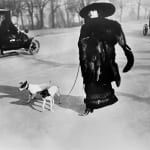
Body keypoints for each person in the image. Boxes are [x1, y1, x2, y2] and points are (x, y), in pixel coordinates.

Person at [78, 2, 134, 115]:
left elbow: (122, 41)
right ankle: (90, 106)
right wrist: (84, 62)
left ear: (99, 11)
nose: (90, 13)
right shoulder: (85, 28)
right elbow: (81, 46)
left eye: (92, 10)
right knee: (91, 85)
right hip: (91, 64)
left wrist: (128, 55)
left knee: (104, 82)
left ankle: (106, 102)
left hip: (106, 63)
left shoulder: (112, 25)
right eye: (89, 11)